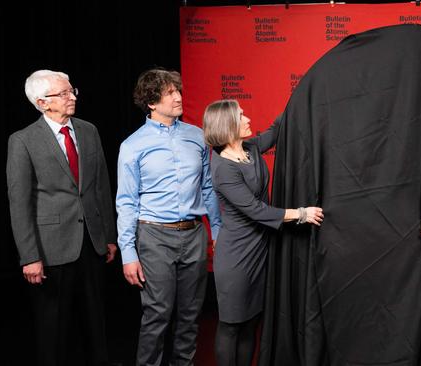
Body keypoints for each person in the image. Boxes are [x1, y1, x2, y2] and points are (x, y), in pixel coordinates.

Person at [6, 70, 117, 365]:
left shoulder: (89, 130)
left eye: (72, 91)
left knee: (96, 326)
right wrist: (29, 256)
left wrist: (109, 236)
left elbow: (101, 186)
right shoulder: (23, 140)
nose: (72, 98)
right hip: (50, 249)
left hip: (92, 244)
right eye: (63, 94)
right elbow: (20, 203)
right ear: (42, 102)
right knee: (53, 329)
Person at [203, 99, 323, 366]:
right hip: (236, 256)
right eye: (241, 116)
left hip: (260, 250)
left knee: (251, 322)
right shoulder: (222, 167)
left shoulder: (251, 148)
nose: (247, 119)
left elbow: (277, 128)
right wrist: (301, 213)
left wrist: (303, 97)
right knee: (231, 324)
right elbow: (256, 210)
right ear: (228, 125)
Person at [116, 68, 222, 365]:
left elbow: (208, 188)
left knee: (190, 314)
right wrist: (128, 253)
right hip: (153, 236)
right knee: (158, 313)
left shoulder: (198, 136)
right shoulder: (132, 145)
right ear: (151, 101)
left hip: (193, 234)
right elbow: (126, 201)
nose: (178, 97)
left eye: (178, 91)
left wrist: (217, 231)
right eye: (170, 92)